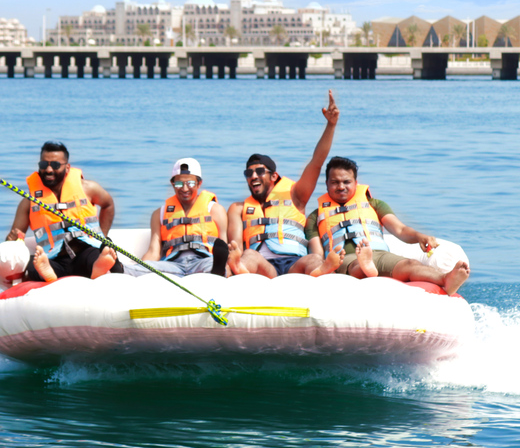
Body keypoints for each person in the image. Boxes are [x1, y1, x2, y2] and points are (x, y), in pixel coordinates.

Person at [305, 156, 470, 295]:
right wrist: (328, 265)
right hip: (346, 259)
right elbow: (317, 253)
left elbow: (400, 229)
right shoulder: (315, 217)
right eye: (335, 182)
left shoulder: (374, 205)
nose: (341, 187)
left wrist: (420, 236)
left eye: (346, 182)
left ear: (356, 182)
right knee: (357, 267)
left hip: (379, 255)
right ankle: (367, 268)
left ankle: (446, 279)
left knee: (411, 265)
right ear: (326, 183)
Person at [227, 90, 344, 278]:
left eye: (259, 171)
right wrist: (235, 256)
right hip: (264, 264)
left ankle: (320, 270)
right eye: (248, 173)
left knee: (313, 259)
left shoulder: (296, 195)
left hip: (294, 262)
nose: (253, 176)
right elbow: (236, 245)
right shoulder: (237, 208)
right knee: (248, 255)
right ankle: (241, 269)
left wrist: (331, 125)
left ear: (274, 177)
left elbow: (316, 162)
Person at [6, 141, 123, 282]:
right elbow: (16, 236)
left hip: (86, 253)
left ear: (67, 167)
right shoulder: (29, 201)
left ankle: (98, 269)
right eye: (44, 165)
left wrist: (102, 235)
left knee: (102, 251)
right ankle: (49, 275)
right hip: (55, 259)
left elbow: (108, 204)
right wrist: (12, 239)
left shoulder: (88, 188)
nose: (49, 170)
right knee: (33, 267)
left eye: (55, 165)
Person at [124, 158, 229, 278]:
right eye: (179, 183)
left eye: (190, 183)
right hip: (172, 264)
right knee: (143, 268)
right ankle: (119, 267)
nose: (185, 189)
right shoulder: (159, 214)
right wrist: (143, 266)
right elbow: (154, 251)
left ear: (199, 183)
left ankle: (217, 271)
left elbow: (224, 246)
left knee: (213, 264)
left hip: (203, 260)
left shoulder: (216, 210)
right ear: (172, 184)